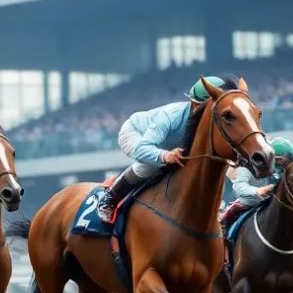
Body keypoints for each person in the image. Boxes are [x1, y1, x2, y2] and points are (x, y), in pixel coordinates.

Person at [95, 76, 227, 223]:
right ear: (196, 105)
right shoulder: (171, 116)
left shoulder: (212, 123)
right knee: (149, 165)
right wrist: (164, 156)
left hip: (167, 146)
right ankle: (109, 198)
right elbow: (142, 149)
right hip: (136, 133)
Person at [219, 137, 293, 231]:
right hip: (251, 202)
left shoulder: (284, 169)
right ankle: (222, 232)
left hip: (275, 204)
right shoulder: (248, 163)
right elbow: (239, 186)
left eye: (288, 161)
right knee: (231, 212)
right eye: (280, 161)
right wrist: (258, 191)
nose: (284, 165)